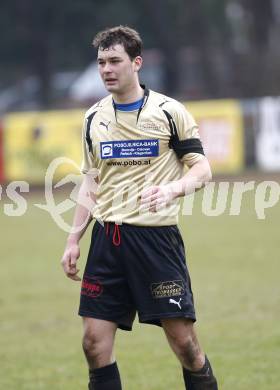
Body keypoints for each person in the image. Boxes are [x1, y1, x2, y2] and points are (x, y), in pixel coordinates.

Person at [61, 25, 218, 390]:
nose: (106, 70)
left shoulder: (168, 112)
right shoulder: (93, 118)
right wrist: (73, 240)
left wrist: (172, 190)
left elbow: (202, 169)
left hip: (156, 242)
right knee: (93, 343)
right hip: (107, 240)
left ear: (137, 63)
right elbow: (91, 181)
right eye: (101, 62)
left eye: (115, 61)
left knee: (185, 344)